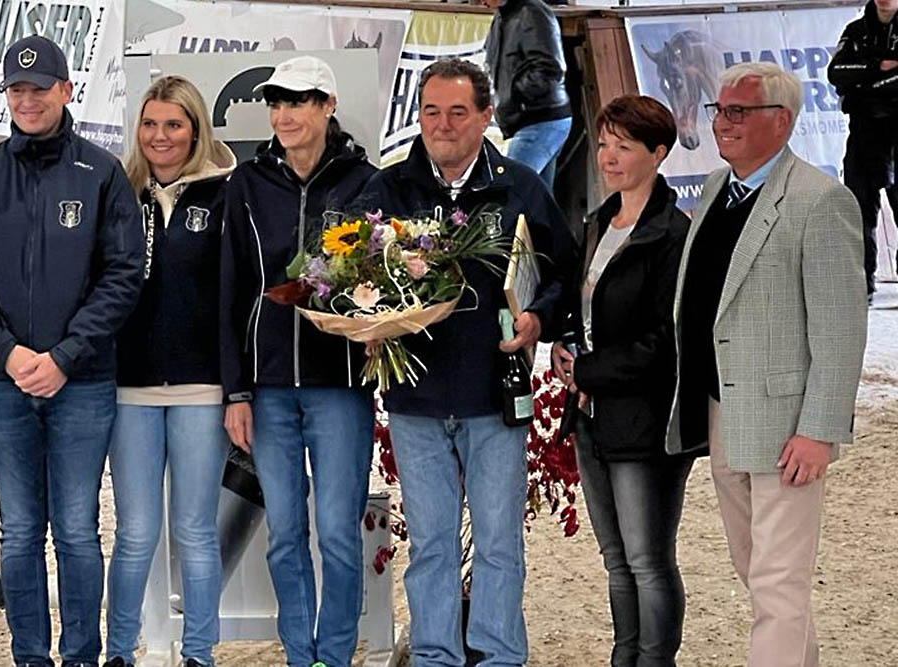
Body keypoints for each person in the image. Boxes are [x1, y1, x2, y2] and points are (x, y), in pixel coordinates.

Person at [356, 58, 574, 666]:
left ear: (486, 117)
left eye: (458, 112)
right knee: (429, 546)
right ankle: (434, 657)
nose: (443, 125)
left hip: (495, 398)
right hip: (416, 400)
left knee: (500, 543)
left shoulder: (521, 186)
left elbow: (562, 275)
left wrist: (536, 319)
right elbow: (350, 281)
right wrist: (365, 323)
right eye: (431, 112)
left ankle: (500, 656)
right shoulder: (387, 191)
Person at [0, 35, 143, 667]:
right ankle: (29, 656)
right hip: (1, 383)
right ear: (6, 95)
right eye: (16, 89)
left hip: (80, 382)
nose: (27, 100)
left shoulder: (102, 172)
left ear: (66, 90)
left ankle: (82, 655)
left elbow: (123, 273)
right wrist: (6, 354)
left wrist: (65, 356)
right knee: (20, 530)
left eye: (40, 87)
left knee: (78, 529)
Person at [669, 62, 866, 666]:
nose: (721, 123)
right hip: (723, 409)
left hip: (788, 425)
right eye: (718, 110)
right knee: (759, 571)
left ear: (780, 123)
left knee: (780, 582)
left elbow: (841, 328)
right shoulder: (712, 190)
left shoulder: (820, 201)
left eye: (737, 111)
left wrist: (819, 430)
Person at [219, 55, 377, 667]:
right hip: (268, 390)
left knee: (338, 535)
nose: (283, 114)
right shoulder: (247, 185)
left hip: (340, 386)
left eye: (298, 101)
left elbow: (384, 283)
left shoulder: (366, 182)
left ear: (328, 106)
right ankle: (299, 655)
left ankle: (334, 656)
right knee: (284, 536)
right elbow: (231, 292)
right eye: (276, 102)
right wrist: (236, 391)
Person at [549, 95, 695, 667]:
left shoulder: (672, 234)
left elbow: (667, 341)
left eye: (623, 147)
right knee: (615, 558)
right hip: (591, 413)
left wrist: (588, 369)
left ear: (658, 154)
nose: (608, 158)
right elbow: (586, 310)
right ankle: (623, 655)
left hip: (644, 417)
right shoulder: (597, 223)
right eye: (604, 144)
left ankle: (655, 659)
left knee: (648, 558)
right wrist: (566, 345)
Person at [103, 76, 236, 667]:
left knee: (196, 533)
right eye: (151, 124)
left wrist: (238, 390)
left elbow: (237, 300)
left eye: (174, 125)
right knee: (134, 535)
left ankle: (200, 654)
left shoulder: (226, 195)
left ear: (195, 129)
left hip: (200, 390)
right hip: (128, 389)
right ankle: (117, 653)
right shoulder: (117, 195)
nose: (161, 137)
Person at [828, 0, 898, 303]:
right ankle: (863, 285)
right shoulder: (856, 30)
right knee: (857, 212)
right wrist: (878, 66)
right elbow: (837, 73)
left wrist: (864, 84)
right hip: (862, 134)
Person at [481, 0, 571, 188]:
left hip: (539, 118)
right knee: (539, 199)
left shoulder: (532, 13)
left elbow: (550, 68)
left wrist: (513, 99)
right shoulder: (502, 16)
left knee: (509, 190)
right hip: (536, 118)